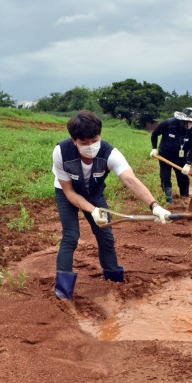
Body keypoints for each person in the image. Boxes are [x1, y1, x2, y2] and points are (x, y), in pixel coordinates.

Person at [53, 110, 171, 300]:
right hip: (68, 193)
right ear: (74, 140)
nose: (91, 146)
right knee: (71, 236)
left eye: (94, 140)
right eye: (84, 143)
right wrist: (92, 210)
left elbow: (130, 180)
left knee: (106, 236)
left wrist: (154, 206)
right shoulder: (61, 152)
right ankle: (63, 292)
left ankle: (113, 279)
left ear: (99, 135)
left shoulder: (110, 154)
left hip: (94, 192)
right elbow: (69, 192)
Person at [150, 107, 192, 205]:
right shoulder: (168, 124)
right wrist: (154, 148)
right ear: (183, 120)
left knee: (183, 177)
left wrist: (188, 164)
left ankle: (185, 197)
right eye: (189, 122)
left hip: (181, 157)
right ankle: (169, 201)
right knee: (165, 176)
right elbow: (154, 134)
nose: (191, 124)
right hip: (165, 154)